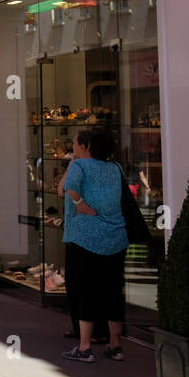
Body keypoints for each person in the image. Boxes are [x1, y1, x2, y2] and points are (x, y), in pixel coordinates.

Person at [61, 130, 129, 363]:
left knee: (86, 291)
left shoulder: (79, 166)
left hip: (85, 237)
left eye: (76, 143)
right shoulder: (116, 168)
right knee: (113, 292)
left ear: (86, 145)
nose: (74, 146)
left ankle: (85, 347)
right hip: (116, 236)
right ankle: (115, 345)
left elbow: (68, 188)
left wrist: (80, 204)